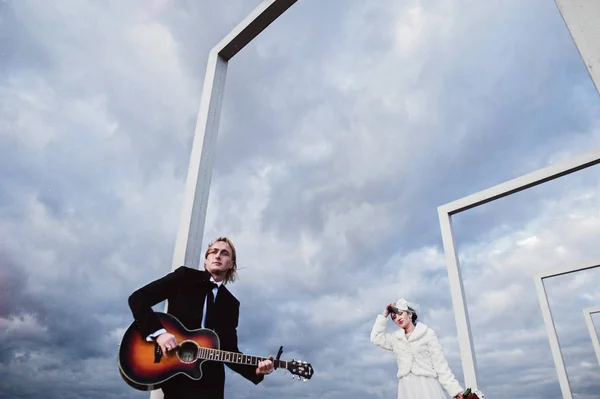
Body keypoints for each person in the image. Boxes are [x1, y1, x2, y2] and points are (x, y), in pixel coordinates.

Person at [128, 236, 274, 399]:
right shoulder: (184, 277)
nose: (218, 255)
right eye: (213, 252)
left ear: (231, 264)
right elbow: (138, 299)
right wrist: (160, 334)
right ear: (206, 260)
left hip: (211, 384)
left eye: (224, 253)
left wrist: (256, 370)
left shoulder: (231, 304)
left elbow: (229, 351)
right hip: (178, 375)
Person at [370, 298, 464, 399]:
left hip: (427, 387)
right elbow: (376, 338)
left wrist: (455, 391)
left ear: (409, 314)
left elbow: (441, 366)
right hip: (406, 389)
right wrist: (385, 314)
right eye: (394, 317)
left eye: (400, 313)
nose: (397, 318)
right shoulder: (396, 339)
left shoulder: (427, 334)